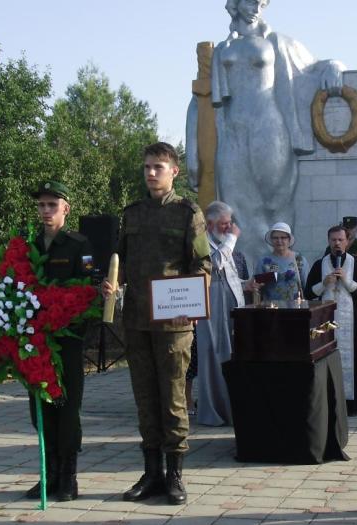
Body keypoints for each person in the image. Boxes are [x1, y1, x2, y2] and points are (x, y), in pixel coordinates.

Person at [186, 0, 345, 261]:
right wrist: (193, 150)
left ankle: (284, 274)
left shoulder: (276, 42)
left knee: (276, 207)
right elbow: (200, 99)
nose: (256, 8)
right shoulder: (221, 49)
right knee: (235, 212)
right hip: (232, 135)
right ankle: (245, 281)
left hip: (270, 131)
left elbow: (312, 68)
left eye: (261, 2)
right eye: (250, 1)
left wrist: (334, 65)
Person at [103, 142, 211, 505]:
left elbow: (202, 266)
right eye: (147, 167)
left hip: (174, 322)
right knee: (145, 399)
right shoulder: (131, 213)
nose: (151, 173)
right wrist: (112, 281)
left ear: (174, 172)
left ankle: (176, 476)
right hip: (136, 319)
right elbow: (119, 259)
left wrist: (194, 304)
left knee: (173, 399)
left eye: (158, 167)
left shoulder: (186, 213)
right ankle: (151, 474)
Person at [22, 181, 94, 502]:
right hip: (36, 341)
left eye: (53, 205)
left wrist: (69, 321)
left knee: (66, 408)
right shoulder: (31, 246)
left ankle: (68, 477)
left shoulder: (79, 245)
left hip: (67, 340)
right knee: (41, 409)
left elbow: (90, 289)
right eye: (42, 205)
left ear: (66, 208)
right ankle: (48, 474)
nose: (46, 211)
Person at [194, 201, 252, 426]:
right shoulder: (201, 241)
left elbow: (229, 274)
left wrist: (245, 284)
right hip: (211, 304)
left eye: (230, 224)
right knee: (213, 354)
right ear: (210, 223)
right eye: (225, 224)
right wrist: (232, 238)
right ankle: (214, 411)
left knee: (231, 355)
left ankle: (231, 407)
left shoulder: (222, 241)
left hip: (229, 305)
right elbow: (214, 263)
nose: (230, 228)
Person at [305, 225, 357, 415]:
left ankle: (350, 404)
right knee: (324, 356)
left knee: (350, 357)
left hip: (349, 320)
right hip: (325, 320)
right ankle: (327, 400)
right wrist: (324, 284)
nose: (337, 243)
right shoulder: (319, 264)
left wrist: (346, 280)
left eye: (340, 239)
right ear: (328, 241)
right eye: (333, 240)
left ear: (347, 241)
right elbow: (307, 293)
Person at [255, 222, 309, 302]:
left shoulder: (299, 259)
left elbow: (306, 285)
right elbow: (256, 286)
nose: (279, 241)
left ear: (289, 239)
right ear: (271, 239)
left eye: (283, 237)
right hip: (271, 309)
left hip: (296, 308)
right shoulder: (263, 261)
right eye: (275, 238)